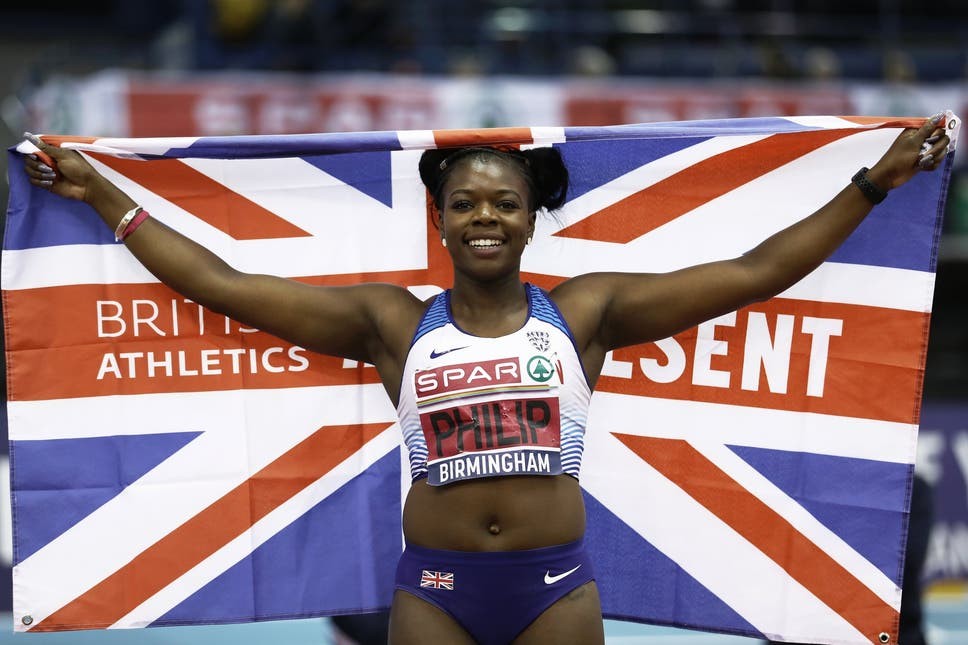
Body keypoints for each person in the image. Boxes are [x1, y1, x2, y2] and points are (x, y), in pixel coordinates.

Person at [23, 114, 949, 645]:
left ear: (530, 219)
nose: (485, 217)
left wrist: (876, 182)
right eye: (464, 202)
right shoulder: (392, 322)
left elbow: (756, 272)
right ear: (439, 218)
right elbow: (223, 285)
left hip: (556, 587)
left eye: (505, 202)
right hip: (435, 589)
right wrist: (104, 192)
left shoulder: (586, 311)